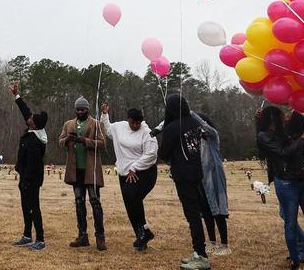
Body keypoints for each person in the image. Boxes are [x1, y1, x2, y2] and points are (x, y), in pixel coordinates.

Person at [255, 104, 304, 270]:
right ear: (272, 119)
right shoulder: (264, 136)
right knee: (290, 223)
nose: (285, 118)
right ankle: (295, 260)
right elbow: (284, 152)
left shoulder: (284, 132)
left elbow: (297, 138)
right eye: (281, 116)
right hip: (286, 182)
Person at [158, 94, 211, 270]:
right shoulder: (195, 123)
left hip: (183, 174)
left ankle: (201, 256)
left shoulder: (172, 127)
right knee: (196, 213)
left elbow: (163, 153)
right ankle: (198, 253)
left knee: (193, 215)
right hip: (197, 172)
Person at [99, 103, 157, 251]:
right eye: (132, 122)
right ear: (128, 119)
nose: (135, 125)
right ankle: (141, 237)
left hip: (144, 172)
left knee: (131, 194)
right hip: (125, 172)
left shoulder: (147, 133)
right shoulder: (120, 127)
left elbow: (151, 155)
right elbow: (108, 131)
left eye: (138, 123)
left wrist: (134, 167)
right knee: (130, 204)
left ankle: (145, 231)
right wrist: (105, 115)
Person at [58, 96, 107, 251]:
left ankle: (100, 236)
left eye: (82, 109)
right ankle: (82, 236)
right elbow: (60, 141)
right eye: (77, 109)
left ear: (87, 109)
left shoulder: (96, 124)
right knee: (79, 202)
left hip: (90, 170)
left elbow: (102, 143)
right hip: (75, 170)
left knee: (95, 202)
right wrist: (67, 139)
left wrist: (85, 141)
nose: (80, 112)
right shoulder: (68, 124)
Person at [10, 82, 47, 251]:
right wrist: (17, 96)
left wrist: (26, 180)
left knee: (34, 207)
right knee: (26, 207)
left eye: (31, 118)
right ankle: (27, 235)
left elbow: (33, 165)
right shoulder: (33, 130)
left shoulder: (35, 141)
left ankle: (40, 239)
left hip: (31, 179)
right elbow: (25, 111)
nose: (28, 118)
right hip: (25, 178)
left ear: (34, 124)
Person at [192, 112, 230, 256]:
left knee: (219, 211)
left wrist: (191, 114)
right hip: (201, 180)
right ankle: (212, 242)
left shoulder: (213, 138)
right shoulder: (197, 142)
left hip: (214, 180)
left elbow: (207, 127)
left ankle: (225, 245)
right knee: (206, 211)